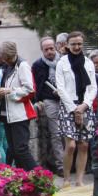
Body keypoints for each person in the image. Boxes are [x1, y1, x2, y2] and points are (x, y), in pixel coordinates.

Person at [55, 31, 98, 187]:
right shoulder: (62, 63)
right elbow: (60, 88)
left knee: (84, 145)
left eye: (79, 43)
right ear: (67, 45)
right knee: (71, 145)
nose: (76, 46)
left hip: (85, 105)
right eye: (73, 44)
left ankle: (79, 180)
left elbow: (93, 87)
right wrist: (74, 109)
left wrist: (84, 105)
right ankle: (66, 179)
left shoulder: (88, 63)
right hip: (68, 106)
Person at [0, 40, 38, 171]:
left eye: (4, 57)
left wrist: (9, 91)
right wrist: (0, 94)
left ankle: (41, 177)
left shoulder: (22, 65)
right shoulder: (8, 67)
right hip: (8, 115)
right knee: (12, 150)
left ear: (8, 55)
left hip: (20, 114)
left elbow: (30, 89)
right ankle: (21, 179)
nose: (3, 60)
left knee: (21, 150)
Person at [31, 37, 65, 175]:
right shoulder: (38, 65)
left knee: (68, 133)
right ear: (42, 51)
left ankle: (70, 163)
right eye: (46, 49)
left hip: (66, 99)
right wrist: (37, 100)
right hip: (49, 100)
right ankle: (61, 165)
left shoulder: (63, 61)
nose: (50, 52)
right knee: (56, 133)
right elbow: (37, 84)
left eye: (51, 48)